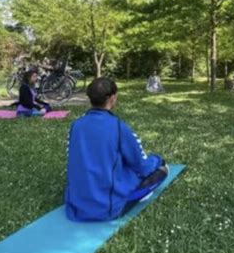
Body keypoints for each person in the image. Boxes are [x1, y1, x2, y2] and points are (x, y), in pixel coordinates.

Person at [65, 77, 168, 222]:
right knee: (162, 170)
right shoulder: (118, 127)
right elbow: (142, 166)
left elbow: (72, 158)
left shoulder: (76, 125)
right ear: (112, 98)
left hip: (76, 205)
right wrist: (157, 160)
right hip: (107, 208)